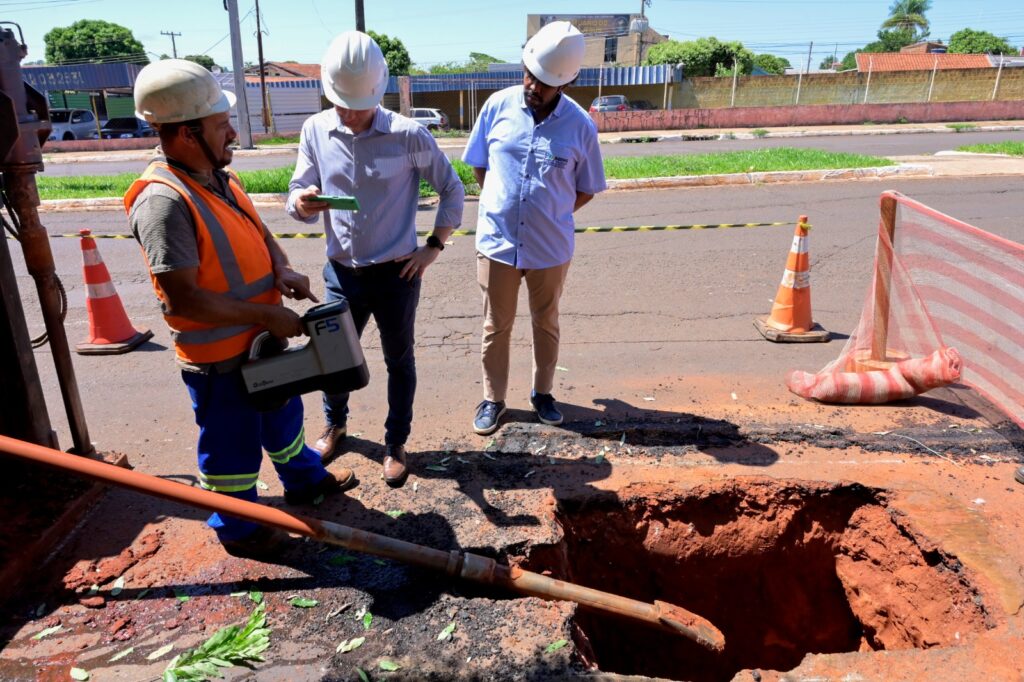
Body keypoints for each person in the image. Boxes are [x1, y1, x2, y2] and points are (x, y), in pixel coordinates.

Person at [126, 59, 353, 560]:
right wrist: (269, 315)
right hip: (220, 360)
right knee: (231, 447)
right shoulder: (163, 201)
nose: (232, 132)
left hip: (259, 344)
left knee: (284, 421)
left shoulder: (216, 177)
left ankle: (305, 483)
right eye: (219, 124)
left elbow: (259, 233)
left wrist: (282, 270)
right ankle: (240, 530)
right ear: (186, 133)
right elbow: (182, 297)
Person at [287, 31, 464, 488]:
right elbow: (296, 191)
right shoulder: (316, 130)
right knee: (333, 357)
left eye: (357, 104)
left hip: (396, 274)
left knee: (398, 359)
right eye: (340, 102)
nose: (348, 113)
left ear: (377, 92)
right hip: (341, 272)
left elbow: (452, 188)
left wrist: (434, 246)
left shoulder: (408, 135)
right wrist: (302, 203)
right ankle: (336, 425)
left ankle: (395, 442)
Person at [462, 21, 606, 436]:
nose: (532, 86)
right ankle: (493, 399)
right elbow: (479, 165)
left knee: (546, 323)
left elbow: (586, 189)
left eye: (543, 82)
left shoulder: (581, 126)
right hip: (497, 243)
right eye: (529, 74)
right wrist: (501, 206)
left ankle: (543, 393)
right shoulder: (497, 106)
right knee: (495, 325)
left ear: (566, 81)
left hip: (550, 247)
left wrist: (552, 211)